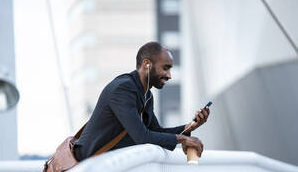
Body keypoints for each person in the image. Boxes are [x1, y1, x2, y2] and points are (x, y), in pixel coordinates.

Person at [73, 42, 209, 161]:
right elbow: (142, 137)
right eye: (165, 68)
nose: (169, 76)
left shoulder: (146, 95)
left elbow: (155, 131)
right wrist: (184, 139)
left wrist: (191, 126)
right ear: (147, 64)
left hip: (101, 165)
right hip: (83, 167)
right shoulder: (123, 89)